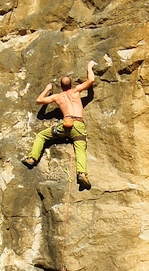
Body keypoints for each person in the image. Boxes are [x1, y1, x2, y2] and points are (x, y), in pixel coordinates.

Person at [22, 61, 96, 190]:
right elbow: (91, 80)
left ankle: (32, 158)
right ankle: (82, 174)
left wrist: (47, 89)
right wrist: (89, 67)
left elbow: (39, 100)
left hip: (64, 126)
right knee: (80, 150)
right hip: (78, 125)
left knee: (41, 135)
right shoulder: (76, 91)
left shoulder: (58, 96)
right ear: (71, 84)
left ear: (61, 87)